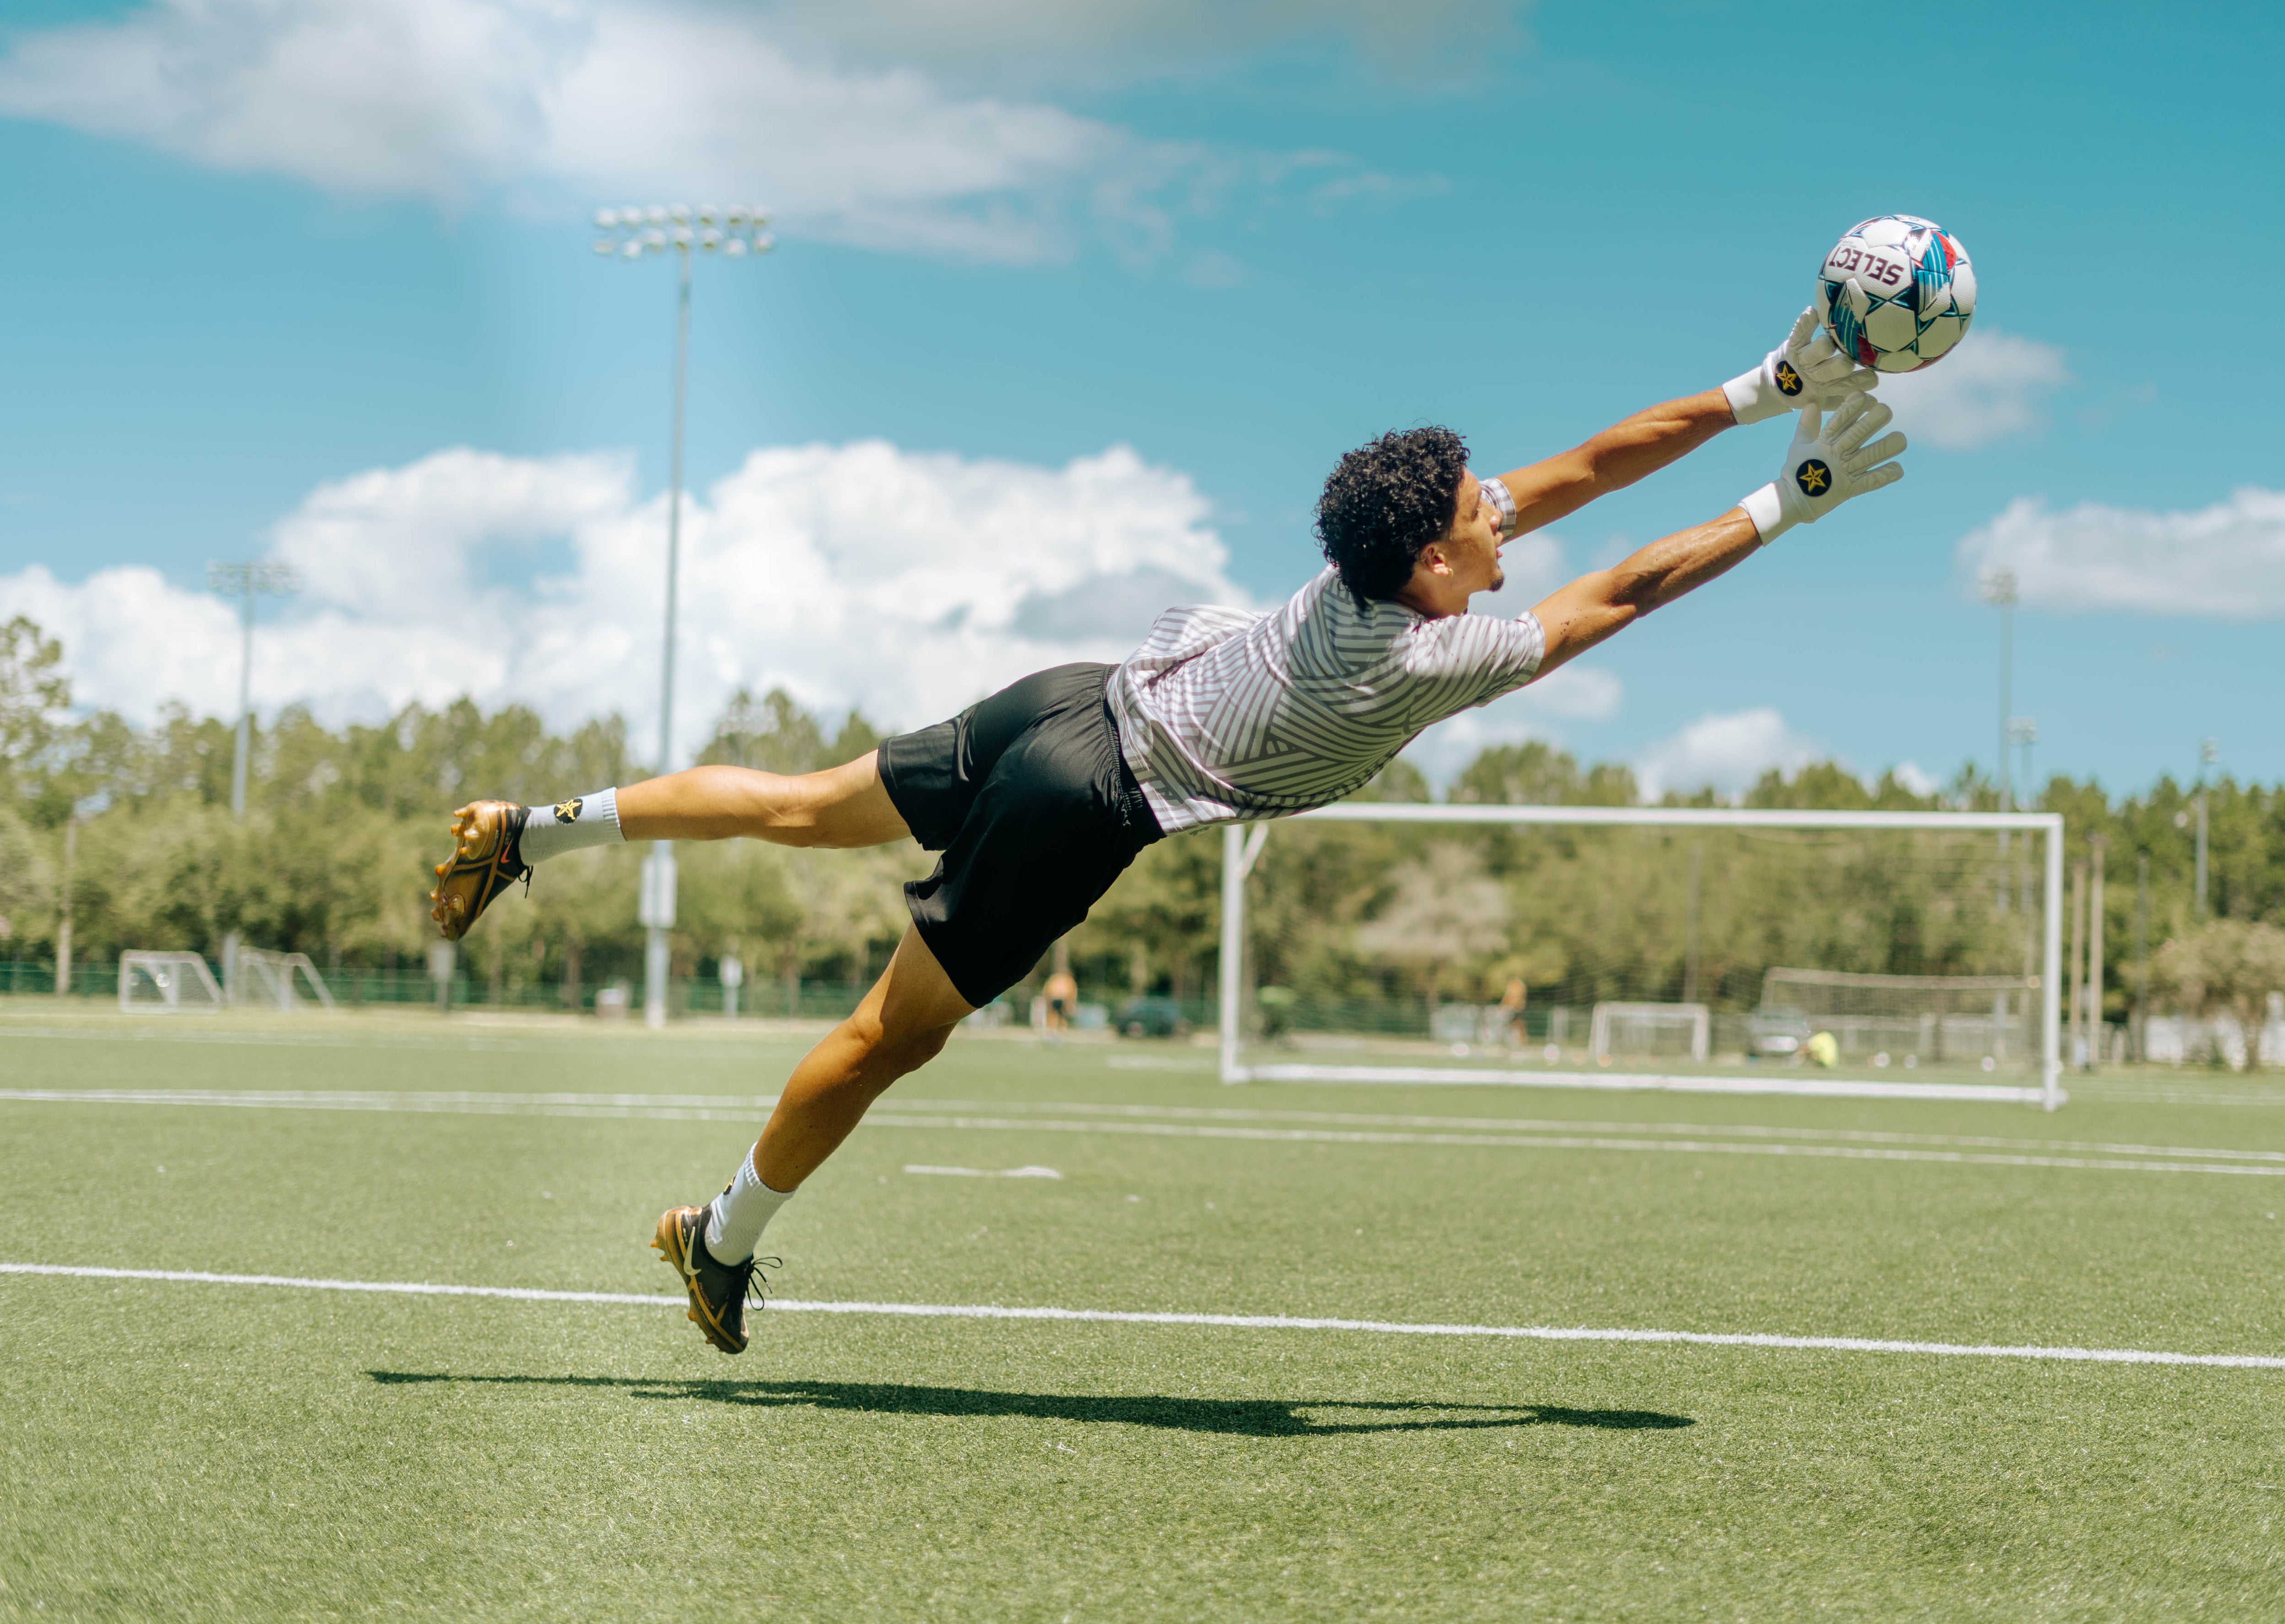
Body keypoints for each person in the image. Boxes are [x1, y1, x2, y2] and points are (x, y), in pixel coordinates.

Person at [426, 308, 1906, 1354]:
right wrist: (1792, 498)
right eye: (1482, 519)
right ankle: (720, 1242)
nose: (1503, 521)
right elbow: (1618, 596)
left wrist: (1768, 378)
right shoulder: (1413, 652)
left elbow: (1585, 466)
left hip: (1064, 700)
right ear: (1432, 562)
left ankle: (533, 832)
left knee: (808, 804)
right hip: (1085, 804)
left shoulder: (1375, 570)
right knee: (892, 1037)